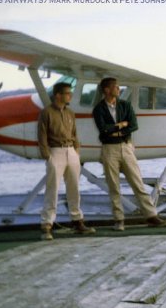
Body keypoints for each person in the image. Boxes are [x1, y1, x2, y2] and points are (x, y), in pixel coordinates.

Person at [92, 77, 166, 231]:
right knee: (113, 186)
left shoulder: (125, 105)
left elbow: (133, 125)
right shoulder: (98, 109)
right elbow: (104, 130)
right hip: (109, 149)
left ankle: (151, 216)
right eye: (116, 87)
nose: (119, 89)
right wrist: (121, 125)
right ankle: (119, 220)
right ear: (106, 90)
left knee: (137, 183)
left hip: (126, 147)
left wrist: (115, 130)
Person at [38, 82, 95, 240]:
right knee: (53, 188)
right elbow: (42, 136)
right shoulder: (46, 112)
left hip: (71, 152)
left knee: (74, 187)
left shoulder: (70, 113)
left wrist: (76, 151)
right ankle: (47, 224)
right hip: (55, 151)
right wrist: (47, 156)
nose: (70, 96)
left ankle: (77, 221)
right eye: (67, 93)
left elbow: (75, 133)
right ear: (58, 95)